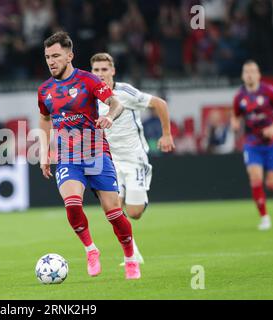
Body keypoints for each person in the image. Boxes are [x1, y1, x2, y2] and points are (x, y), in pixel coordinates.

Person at [38, 31, 140, 280]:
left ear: (69, 55)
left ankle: (129, 256)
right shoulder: (44, 90)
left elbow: (116, 103)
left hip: (96, 152)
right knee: (72, 205)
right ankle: (91, 250)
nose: (51, 61)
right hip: (67, 156)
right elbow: (44, 119)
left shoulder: (88, 80)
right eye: (47, 57)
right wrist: (44, 152)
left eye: (56, 56)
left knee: (114, 213)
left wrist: (108, 116)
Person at [90, 52, 175, 266]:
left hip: (134, 158)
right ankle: (132, 253)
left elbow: (160, 104)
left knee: (134, 212)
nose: (100, 74)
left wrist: (166, 135)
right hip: (108, 161)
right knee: (112, 208)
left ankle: (137, 200)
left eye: (104, 69)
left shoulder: (124, 92)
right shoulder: (89, 96)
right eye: (96, 70)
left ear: (113, 71)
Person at [231, 60, 273, 230]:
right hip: (252, 143)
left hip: (271, 143)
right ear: (243, 75)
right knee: (255, 178)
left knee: (271, 183)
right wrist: (234, 123)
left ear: (258, 74)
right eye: (246, 71)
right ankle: (264, 217)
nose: (249, 74)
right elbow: (235, 115)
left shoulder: (269, 92)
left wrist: (272, 127)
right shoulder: (239, 97)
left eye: (253, 71)